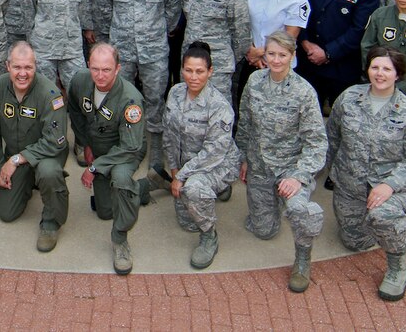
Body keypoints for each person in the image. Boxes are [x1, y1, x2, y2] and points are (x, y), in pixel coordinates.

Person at [325, 47, 406, 301]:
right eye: (375, 67)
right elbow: (332, 137)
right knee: (354, 241)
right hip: (350, 183)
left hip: (390, 186)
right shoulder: (349, 98)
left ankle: (398, 268)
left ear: (398, 74)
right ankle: (377, 222)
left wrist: (390, 186)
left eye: (387, 69)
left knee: (383, 216)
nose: (380, 74)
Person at [236, 32, 326, 293]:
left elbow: (317, 143)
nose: (276, 60)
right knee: (264, 230)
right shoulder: (254, 82)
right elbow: (246, 124)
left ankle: (302, 259)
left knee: (300, 211)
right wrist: (244, 158)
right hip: (260, 166)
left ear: (292, 57)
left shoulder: (303, 92)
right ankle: (268, 206)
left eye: (282, 55)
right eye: (271, 54)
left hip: (291, 167)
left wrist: (298, 176)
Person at [93, 0, 182, 169]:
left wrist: (154, 34)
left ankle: (154, 156)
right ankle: (129, 147)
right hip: (121, 52)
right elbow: (103, 13)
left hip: (153, 52)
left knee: (154, 101)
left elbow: (173, 14)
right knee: (123, 100)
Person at [149, 41, 241, 270]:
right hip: (185, 162)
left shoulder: (218, 105)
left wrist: (181, 177)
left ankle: (209, 236)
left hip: (217, 163)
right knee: (186, 222)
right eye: (188, 70)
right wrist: (173, 169)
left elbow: (214, 152)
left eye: (200, 71)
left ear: (210, 71)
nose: (193, 76)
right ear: (181, 70)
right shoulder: (176, 92)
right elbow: (168, 135)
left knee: (194, 190)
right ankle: (212, 191)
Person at [67, 43, 152, 275]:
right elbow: (74, 108)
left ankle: (120, 240)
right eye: (95, 69)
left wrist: (95, 167)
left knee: (121, 178)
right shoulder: (80, 81)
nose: (100, 75)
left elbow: (130, 146)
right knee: (105, 211)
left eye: (106, 70)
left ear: (118, 69)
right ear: (88, 66)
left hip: (126, 150)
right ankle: (146, 186)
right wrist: (84, 142)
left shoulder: (130, 100)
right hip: (98, 146)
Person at [0, 43, 69, 252]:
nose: (22, 74)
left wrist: (14, 161)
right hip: (15, 155)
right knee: (6, 213)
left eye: (28, 68)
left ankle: (51, 221)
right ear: (7, 66)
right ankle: (28, 180)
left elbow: (54, 140)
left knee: (48, 172)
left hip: (47, 155)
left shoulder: (50, 93)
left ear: (35, 66)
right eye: (17, 67)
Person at [181, 0, 251, 102]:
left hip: (217, 65)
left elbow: (242, 36)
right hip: (190, 62)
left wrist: (224, 56)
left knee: (217, 110)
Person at [242, 0, 311, 108]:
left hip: (278, 65)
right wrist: (251, 51)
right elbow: (246, 22)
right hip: (252, 62)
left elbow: (289, 38)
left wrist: (260, 53)